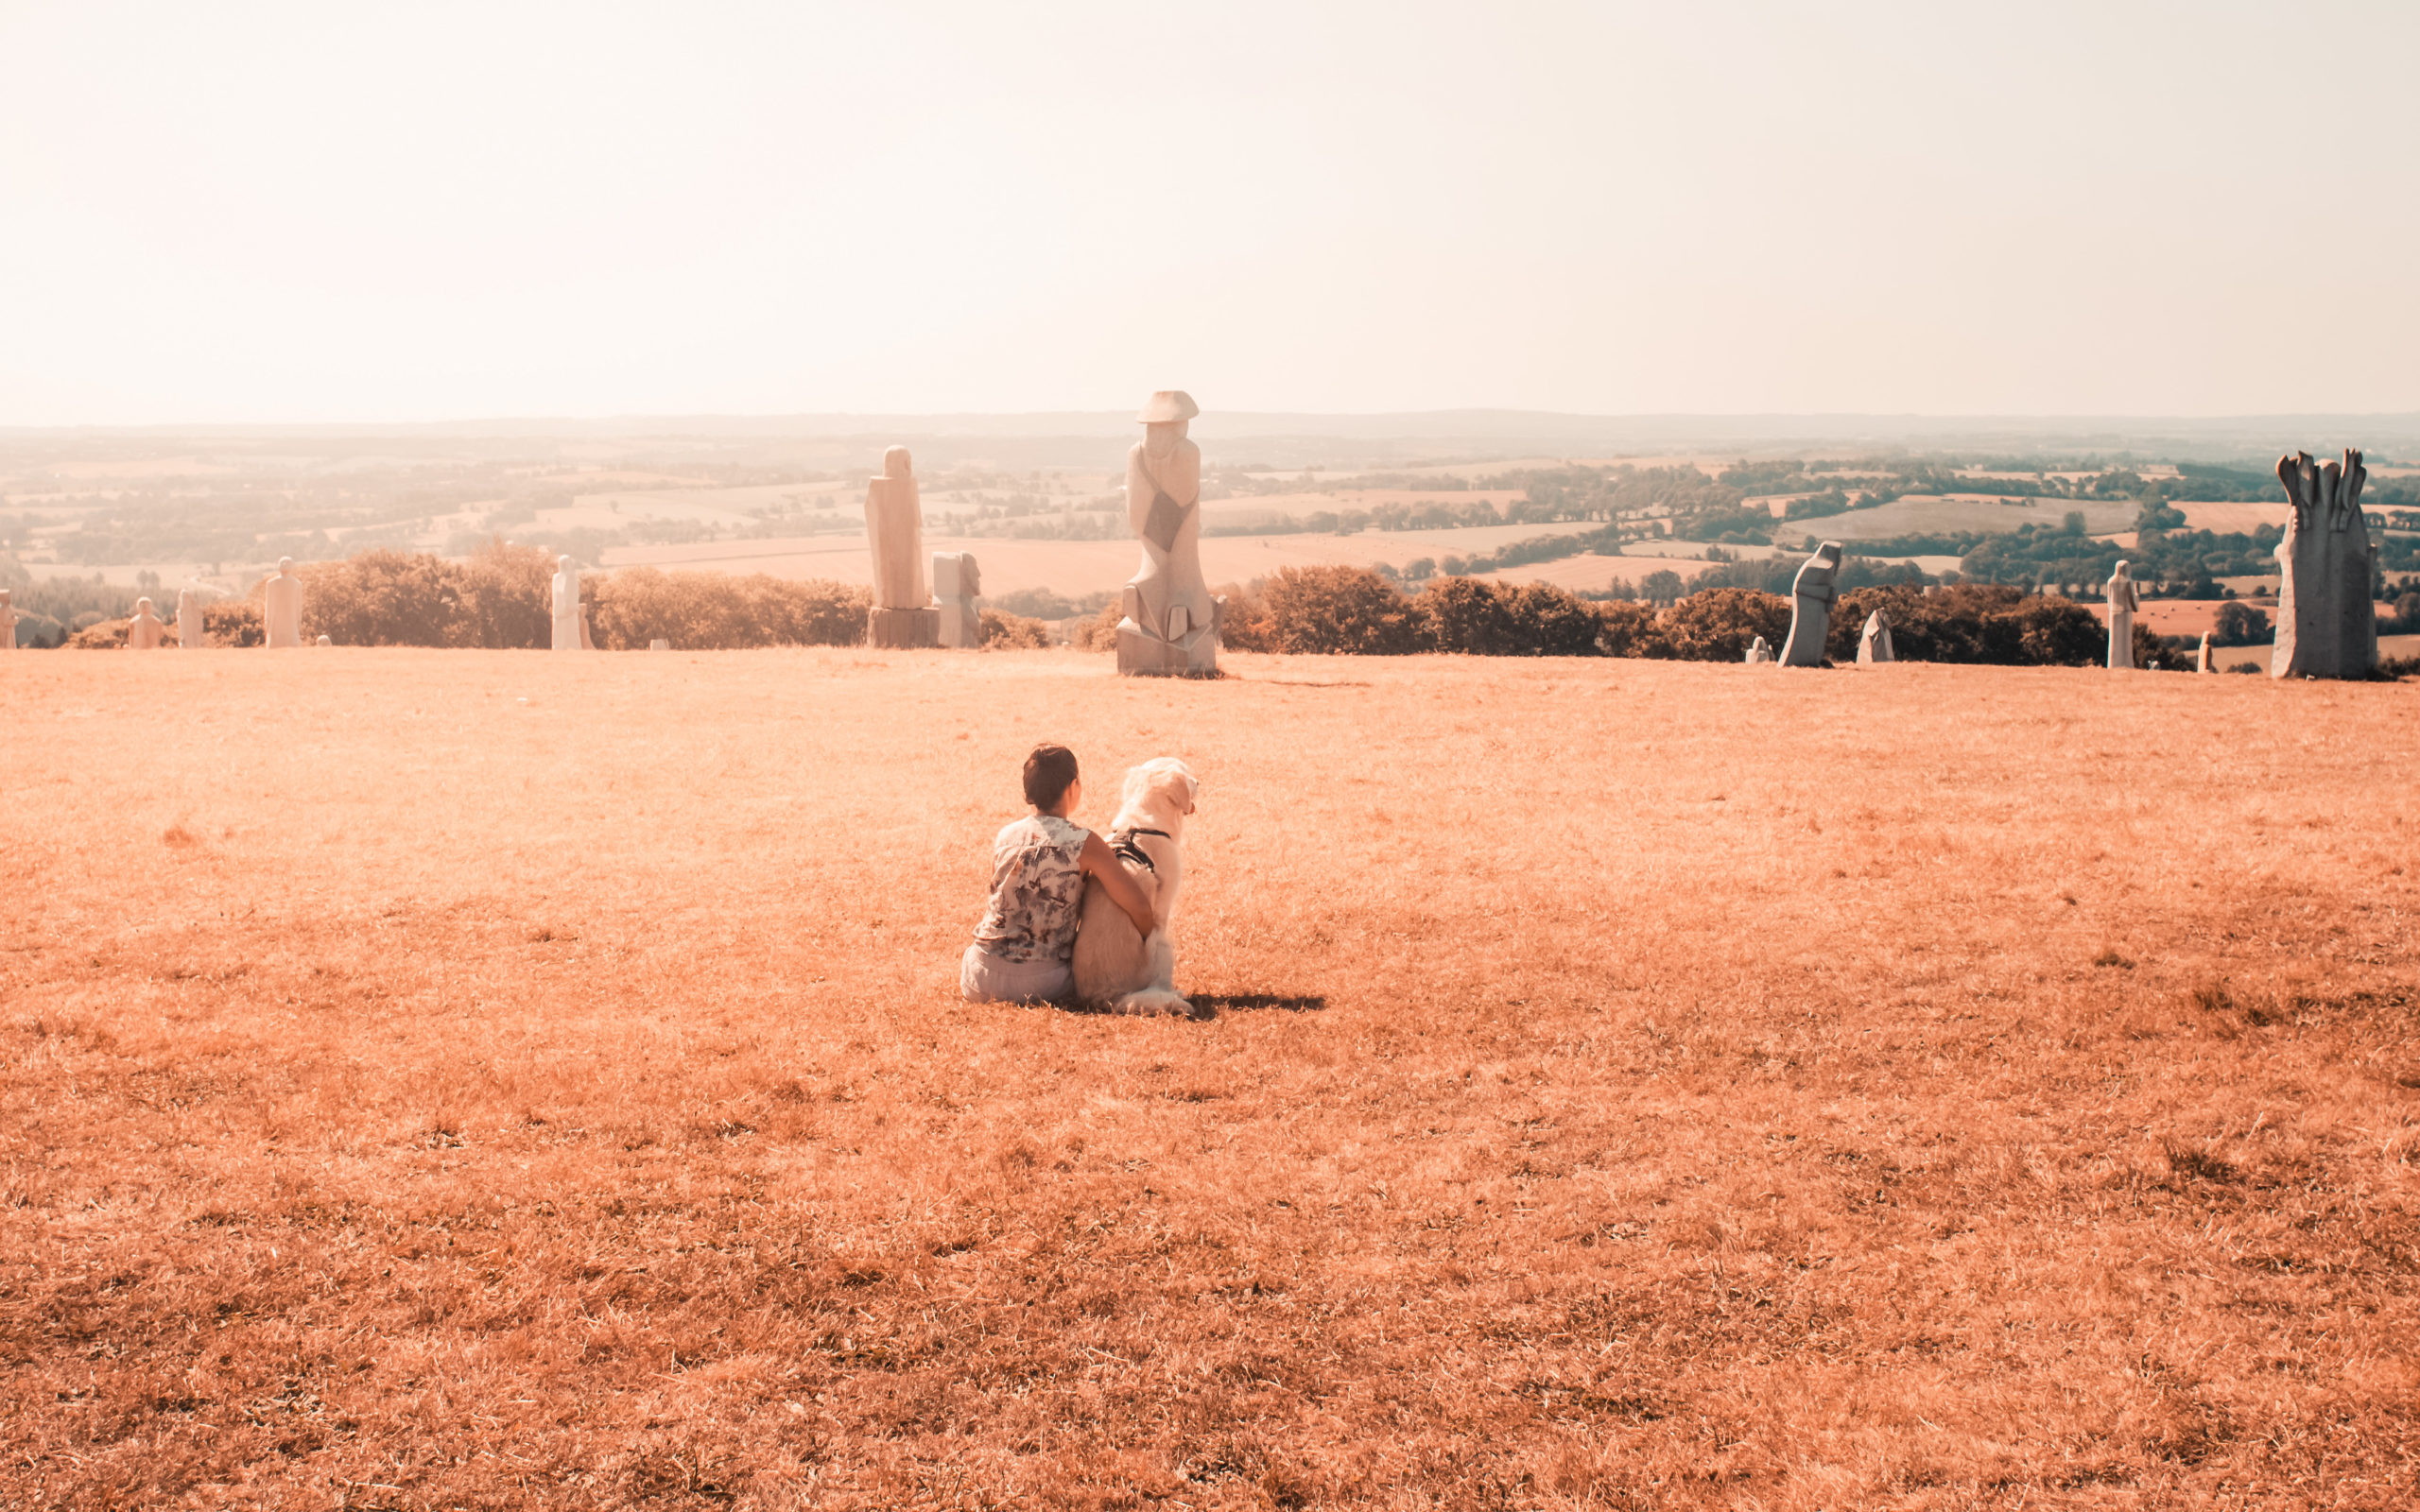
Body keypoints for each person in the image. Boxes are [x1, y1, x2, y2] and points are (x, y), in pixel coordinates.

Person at [961, 744, 1158, 1004]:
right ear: (1073, 785)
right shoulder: (1085, 842)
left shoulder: (1005, 835)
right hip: (1044, 982)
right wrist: (1147, 947)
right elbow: (1141, 909)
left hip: (981, 977)